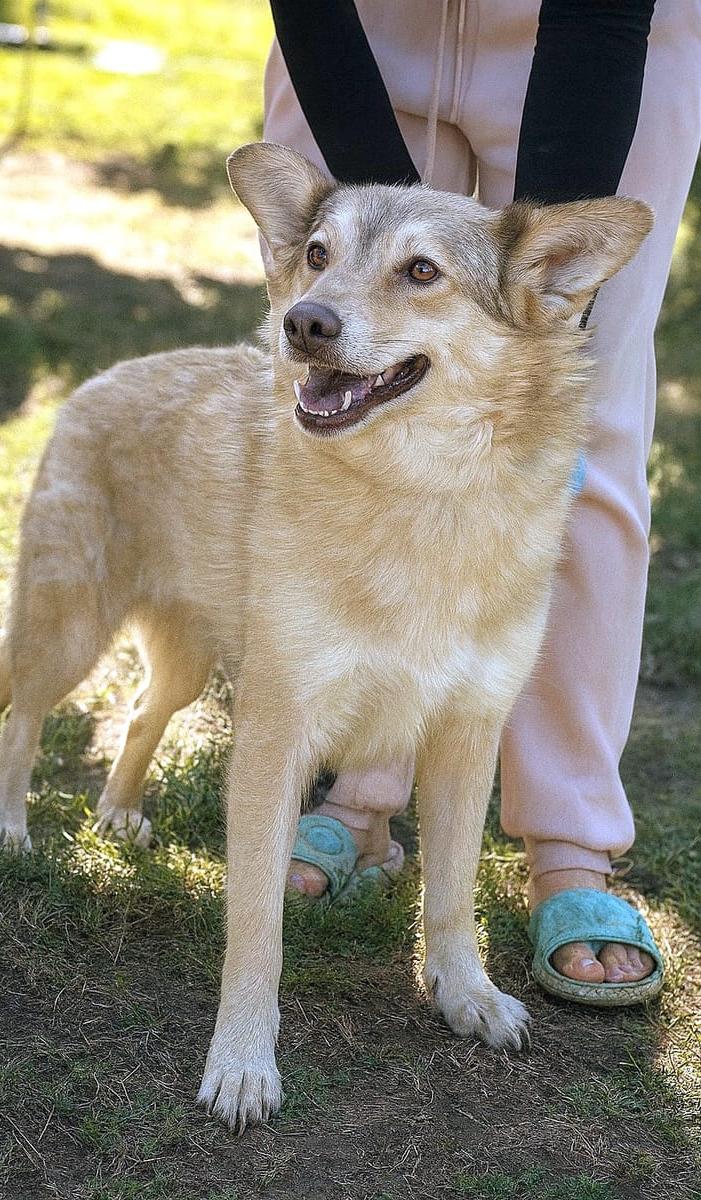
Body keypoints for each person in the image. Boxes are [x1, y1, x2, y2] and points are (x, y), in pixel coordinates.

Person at [261, 0, 701, 1004]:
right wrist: (387, 240)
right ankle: (363, 786)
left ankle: (570, 842)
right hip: (356, 33)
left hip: (604, 39)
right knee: (348, 407)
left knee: (577, 420)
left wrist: (521, 300)